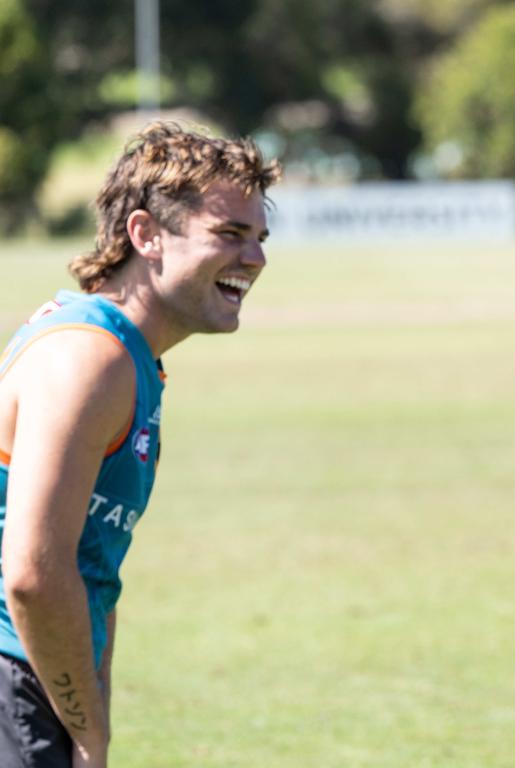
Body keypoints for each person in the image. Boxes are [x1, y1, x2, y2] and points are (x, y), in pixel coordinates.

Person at [0, 122, 281, 768]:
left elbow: (93, 570)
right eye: (230, 234)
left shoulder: (131, 363)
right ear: (145, 235)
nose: (257, 259)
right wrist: (90, 732)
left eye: (260, 238)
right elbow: (35, 575)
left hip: (36, 683)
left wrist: (90, 719)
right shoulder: (89, 359)